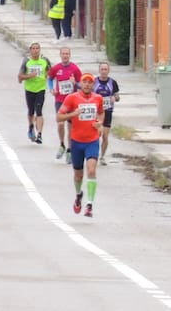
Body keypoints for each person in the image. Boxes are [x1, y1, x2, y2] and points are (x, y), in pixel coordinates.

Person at [56, 74, 104, 217]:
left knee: (91, 170)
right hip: (76, 141)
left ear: (93, 85)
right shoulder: (72, 98)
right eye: (85, 82)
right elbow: (59, 117)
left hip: (92, 141)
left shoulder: (98, 98)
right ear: (80, 84)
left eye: (90, 82)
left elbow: (101, 114)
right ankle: (78, 194)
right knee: (78, 175)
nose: (87, 85)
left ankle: (89, 205)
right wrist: (73, 114)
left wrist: (99, 124)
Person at [48, 47, 82, 163]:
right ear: (60, 55)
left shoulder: (75, 69)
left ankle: (69, 150)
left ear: (70, 55)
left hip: (72, 101)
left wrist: (75, 83)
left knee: (71, 128)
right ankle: (62, 144)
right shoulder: (56, 68)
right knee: (60, 124)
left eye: (67, 54)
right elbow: (50, 78)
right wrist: (51, 89)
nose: (65, 56)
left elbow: (81, 85)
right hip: (60, 100)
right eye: (63, 54)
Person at [18, 42, 50, 144]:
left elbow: (51, 71)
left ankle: (40, 134)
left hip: (41, 89)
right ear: (30, 50)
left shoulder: (44, 60)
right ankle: (31, 126)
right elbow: (19, 78)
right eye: (33, 48)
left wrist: (47, 76)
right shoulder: (26, 61)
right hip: (29, 89)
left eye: (37, 48)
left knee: (39, 111)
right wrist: (29, 76)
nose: (36, 50)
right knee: (31, 111)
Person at [92, 63, 121, 162]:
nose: (104, 71)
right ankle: (93, 154)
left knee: (105, 136)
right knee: (96, 134)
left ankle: (102, 156)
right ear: (99, 70)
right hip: (96, 112)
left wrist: (114, 98)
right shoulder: (94, 82)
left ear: (108, 71)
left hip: (108, 111)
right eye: (102, 69)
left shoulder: (113, 82)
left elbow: (118, 97)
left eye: (105, 69)